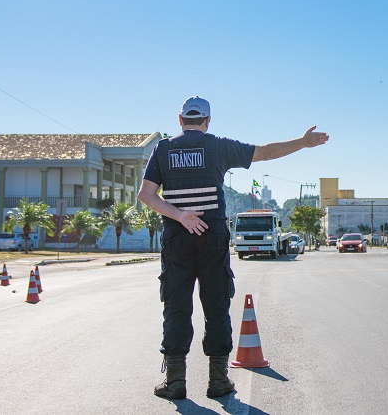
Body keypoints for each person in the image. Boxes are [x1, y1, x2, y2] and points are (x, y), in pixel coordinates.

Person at [137, 96, 329, 400]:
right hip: (212, 236)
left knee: (176, 307)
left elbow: (146, 195)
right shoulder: (218, 146)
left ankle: (175, 381)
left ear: (180, 119)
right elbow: (264, 153)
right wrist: (302, 142)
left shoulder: (163, 148)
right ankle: (218, 380)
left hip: (177, 238)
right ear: (207, 121)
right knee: (216, 307)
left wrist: (180, 216)